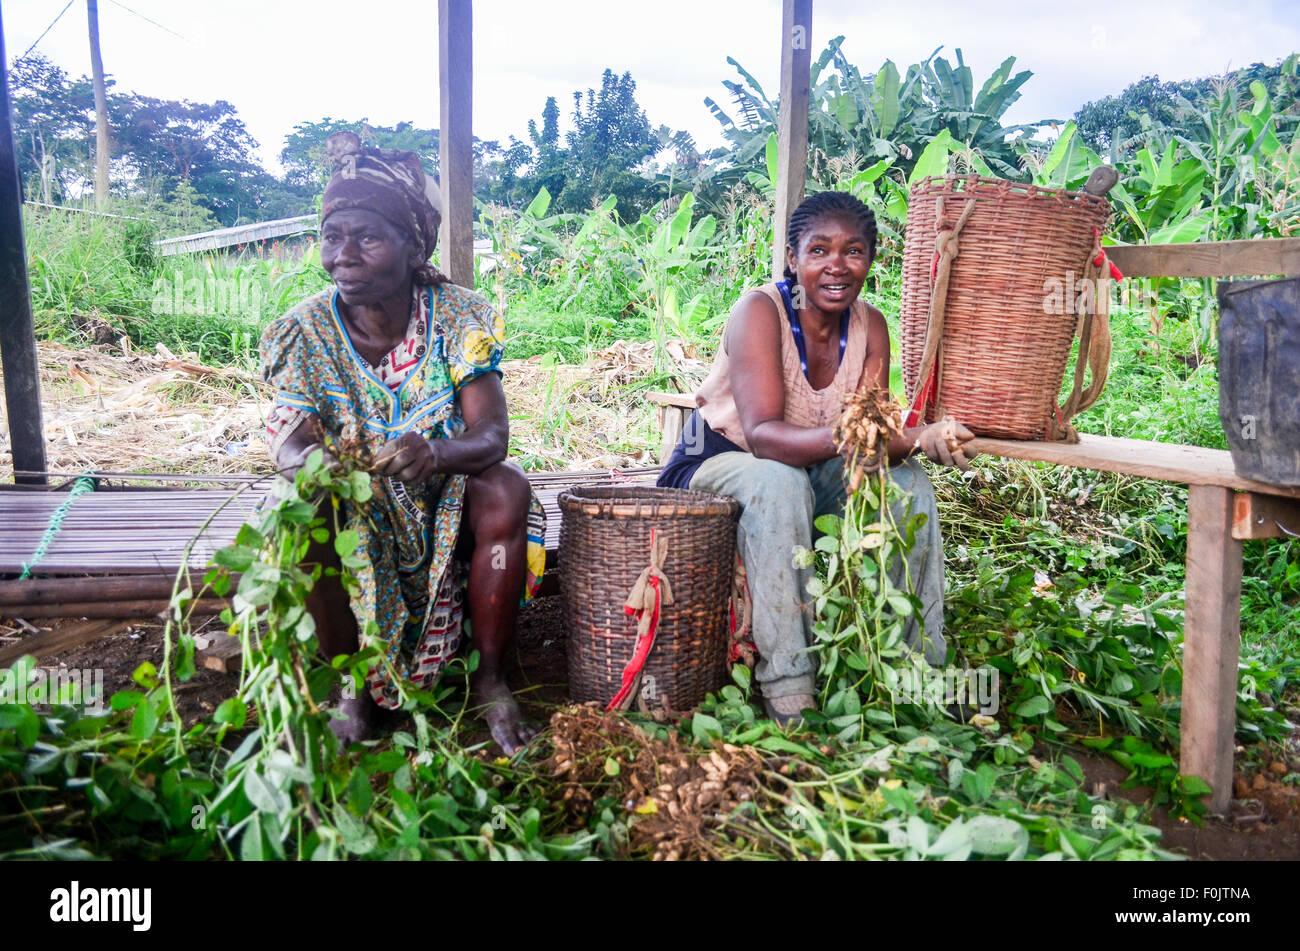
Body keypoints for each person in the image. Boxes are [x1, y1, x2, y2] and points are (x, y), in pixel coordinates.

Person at [259, 131, 546, 753]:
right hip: (355, 502)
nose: (344, 255)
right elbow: (288, 442)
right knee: (302, 506)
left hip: (443, 498)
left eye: (367, 237)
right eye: (333, 237)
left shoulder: (457, 315)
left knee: (507, 489)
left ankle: (492, 680)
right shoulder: (303, 329)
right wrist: (317, 463)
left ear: (414, 247)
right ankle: (351, 687)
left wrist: (435, 454)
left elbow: (491, 437)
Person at [657, 190, 976, 725]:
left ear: (870, 261)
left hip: (804, 466)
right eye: (819, 250)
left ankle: (917, 666)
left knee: (909, 484)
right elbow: (763, 438)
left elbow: (869, 432)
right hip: (716, 463)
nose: (836, 265)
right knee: (782, 483)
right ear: (792, 258)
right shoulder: (760, 311)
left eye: (853, 251)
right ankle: (788, 684)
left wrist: (924, 438)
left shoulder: (870, 326)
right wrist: (867, 432)